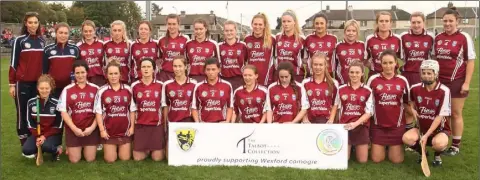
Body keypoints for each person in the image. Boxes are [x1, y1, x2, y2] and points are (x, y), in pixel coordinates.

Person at [433, 7, 476, 156]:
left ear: (457, 21)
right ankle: (443, 141)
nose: (447, 23)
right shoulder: (438, 38)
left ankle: (455, 146)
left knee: (456, 113)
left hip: (456, 81)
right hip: (439, 82)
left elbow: (470, 61)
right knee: (442, 113)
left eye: (451, 21)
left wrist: (467, 83)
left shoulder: (464, 37)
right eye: (445, 21)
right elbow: (434, 59)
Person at [9, 12, 46, 156]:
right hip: (22, 83)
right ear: (25, 23)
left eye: (35, 22)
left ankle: (34, 141)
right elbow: (13, 64)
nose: (33, 25)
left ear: (39, 24)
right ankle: (24, 144)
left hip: (38, 84)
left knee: (35, 113)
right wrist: (12, 84)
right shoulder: (20, 40)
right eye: (30, 22)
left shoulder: (43, 41)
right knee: (22, 113)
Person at [402, 60, 451, 167]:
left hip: (440, 129)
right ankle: (422, 153)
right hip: (421, 128)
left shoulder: (444, 90)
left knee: (439, 144)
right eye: (423, 73)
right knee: (406, 138)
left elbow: (439, 117)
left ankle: (437, 156)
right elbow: (410, 100)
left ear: (436, 74)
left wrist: (426, 135)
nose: (426, 76)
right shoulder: (415, 88)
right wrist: (412, 108)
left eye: (429, 73)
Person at [366, 49, 410, 163]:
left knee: (396, 160)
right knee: (377, 159)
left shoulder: (403, 80)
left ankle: (392, 146)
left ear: (396, 63)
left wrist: (415, 114)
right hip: (378, 126)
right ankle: (380, 145)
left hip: (396, 126)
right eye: (385, 63)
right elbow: (367, 103)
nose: (388, 66)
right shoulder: (373, 79)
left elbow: (407, 103)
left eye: (391, 62)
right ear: (381, 64)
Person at [57, 60, 100, 163]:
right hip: (74, 130)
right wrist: (74, 129)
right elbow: (63, 112)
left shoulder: (96, 89)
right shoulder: (67, 89)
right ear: (74, 74)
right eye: (77, 73)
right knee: (74, 160)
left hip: (90, 130)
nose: (80, 75)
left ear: (87, 72)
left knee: (90, 159)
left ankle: (87, 146)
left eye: (82, 72)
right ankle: (71, 146)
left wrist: (92, 128)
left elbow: (99, 112)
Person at [94, 59, 136, 163]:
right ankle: (112, 146)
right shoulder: (102, 90)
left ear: (120, 74)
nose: (113, 76)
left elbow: (132, 110)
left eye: (116, 73)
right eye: (111, 74)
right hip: (109, 131)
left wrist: (132, 127)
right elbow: (98, 112)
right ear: (106, 75)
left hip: (125, 131)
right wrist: (102, 130)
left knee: (125, 158)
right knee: (110, 159)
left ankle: (120, 146)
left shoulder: (128, 89)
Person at [338, 61, 373, 163]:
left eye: (357, 72)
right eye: (352, 72)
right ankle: (349, 147)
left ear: (362, 73)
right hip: (345, 127)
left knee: (362, 161)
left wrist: (355, 123)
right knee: (344, 159)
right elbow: (337, 109)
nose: (354, 75)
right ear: (348, 73)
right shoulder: (341, 89)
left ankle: (357, 146)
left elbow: (369, 112)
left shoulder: (368, 90)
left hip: (361, 126)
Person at [131, 58, 165, 161]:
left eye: (149, 67)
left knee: (157, 158)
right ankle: (146, 149)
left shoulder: (161, 85)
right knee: (137, 158)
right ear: (140, 69)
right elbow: (132, 109)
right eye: (143, 67)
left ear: (154, 69)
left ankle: (154, 149)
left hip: (156, 125)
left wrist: (164, 125)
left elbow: (164, 107)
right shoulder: (134, 86)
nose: (146, 69)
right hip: (141, 125)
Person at [23, 74, 63, 161]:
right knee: (26, 150)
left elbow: (58, 126)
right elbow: (29, 122)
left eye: (46, 88)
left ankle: (57, 150)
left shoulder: (57, 103)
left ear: (51, 88)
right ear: (37, 88)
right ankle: (39, 149)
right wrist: (37, 136)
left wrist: (44, 137)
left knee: (46, 146)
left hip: (52, 134)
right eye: (41, 88)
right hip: (37, 133)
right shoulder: (31, 102)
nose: (44, 91)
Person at [43, 22, 81, 99]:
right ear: (56, 33)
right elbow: (44, 71)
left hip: (70, 87)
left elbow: (79, 69)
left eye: (65, 33)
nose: (63, 35)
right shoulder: (47, 50)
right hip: (53, 89)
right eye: (60, 33)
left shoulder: (75, 49)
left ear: (68, 34)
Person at [191, 58, 233, 123]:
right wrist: (198, 123)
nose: (211, 72)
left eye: (213, 69)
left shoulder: (227, 85)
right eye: (208, 69)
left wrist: (227, 121)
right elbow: (194, 108)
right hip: (204, 124)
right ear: (204, 71)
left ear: (219, 70)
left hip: (221, 124)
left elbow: (230, 106)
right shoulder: (198, 86)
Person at [302, 52, 339, 124]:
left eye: (320, 65)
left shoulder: (333, 83)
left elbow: (335, 104)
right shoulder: (305, 83)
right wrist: (305, 118)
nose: (318, 67)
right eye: (315, 64)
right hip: (309, 122)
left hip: (326, 121)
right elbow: (302, 103)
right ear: (311, 65)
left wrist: (331, 120)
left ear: (326, 65)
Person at [400, 12, 434, 86]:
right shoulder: (403, 36)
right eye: (413, 22)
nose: (416, 25)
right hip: (407, 73)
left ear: (423, 23)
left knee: (423, 97)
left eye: (419, 22)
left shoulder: (430, 37)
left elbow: (434, 56)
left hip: (425, 74)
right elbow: (397, 54)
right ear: (410, 23)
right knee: (408, 97)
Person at [365, 11, 402, 77]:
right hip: (374, 76)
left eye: (386, 21)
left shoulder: (397, 39)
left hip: (392, 77)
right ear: (377, 23)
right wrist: (372, 67)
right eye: (381, 21)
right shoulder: (370, 39)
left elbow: (403, 57)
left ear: (390, 23)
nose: (384, 23)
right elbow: (364, 59)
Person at [162, 56, 198, 123]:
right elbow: (166, 106)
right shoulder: (167, 84)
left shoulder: (194, 84)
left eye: (180, 66)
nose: (177, 69)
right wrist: (165, 126)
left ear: (186, 67)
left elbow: (195, 107)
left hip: (189, 121)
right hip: (172, 122)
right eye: (175, 66)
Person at [275, 9, 307, 82]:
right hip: (280, 76)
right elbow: (275, 57)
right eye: (284, 21)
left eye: (289, 21)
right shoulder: (277, 37)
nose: (286, 24)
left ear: (294, 22)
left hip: (296, 75)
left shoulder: (302, 39)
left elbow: (305, 59)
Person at [244, 13, 276, 86]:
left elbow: (276, 59)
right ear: (251, 24)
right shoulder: (247, 39)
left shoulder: (272, 39)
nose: (257, 27)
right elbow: (245, 60)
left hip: (267, 80)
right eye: (255, 24)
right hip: (251, 81)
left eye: (260, 24)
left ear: (264, 25)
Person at [157, 14, 190, 82]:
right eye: (169, 24)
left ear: (178, 24)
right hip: (165, 75)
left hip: (180, 74)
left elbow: (188, 59)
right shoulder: (161, 40)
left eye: (174, 24)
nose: (171, 27)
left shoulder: (186, 39)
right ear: (166, 25)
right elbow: (158, 58)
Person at [304, 13, 337, 77]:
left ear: (326, 24)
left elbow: (336, 58)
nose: (319, 26)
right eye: (317, 23)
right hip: (312, 74)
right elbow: (304, 58)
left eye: (322, 23)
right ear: (314, 24)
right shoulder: (308, 38)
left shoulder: (333, 39)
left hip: (328, 74)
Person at [335, 19, 366, 85]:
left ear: (357, 32)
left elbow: (365, 63)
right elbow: (334, 65)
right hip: (342, 84)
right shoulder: (338, 46)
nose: (351, 33)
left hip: (358, 85)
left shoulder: (362, 45)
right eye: (348, 30)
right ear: (345, 32)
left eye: (354, 31)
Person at [219, 20, 248, 91]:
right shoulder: (219, 46)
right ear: (224, 32)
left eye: (231, 30)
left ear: (235, 31)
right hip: (224, 80)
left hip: (239, 80)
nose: (229, 33)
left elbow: (247, 62)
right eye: (226, 31)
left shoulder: (243, 45)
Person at [76, 20, 106, 87]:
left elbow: (106, 61)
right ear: (82, 32)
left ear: (94, 31)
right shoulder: (78, 46)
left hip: (99, 78)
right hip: (85, 78)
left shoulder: (102, 44)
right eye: (85, 31)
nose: (88, 33)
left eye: (90, 31)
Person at [104, 20, 131, 84]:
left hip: (125, 78)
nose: (117, 33)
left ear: (123, 32)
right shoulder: (105, 44)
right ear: (111, 32)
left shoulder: (129, 44)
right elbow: (103, 64)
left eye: (119, 30)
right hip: (111, 79)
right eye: (115, 30)